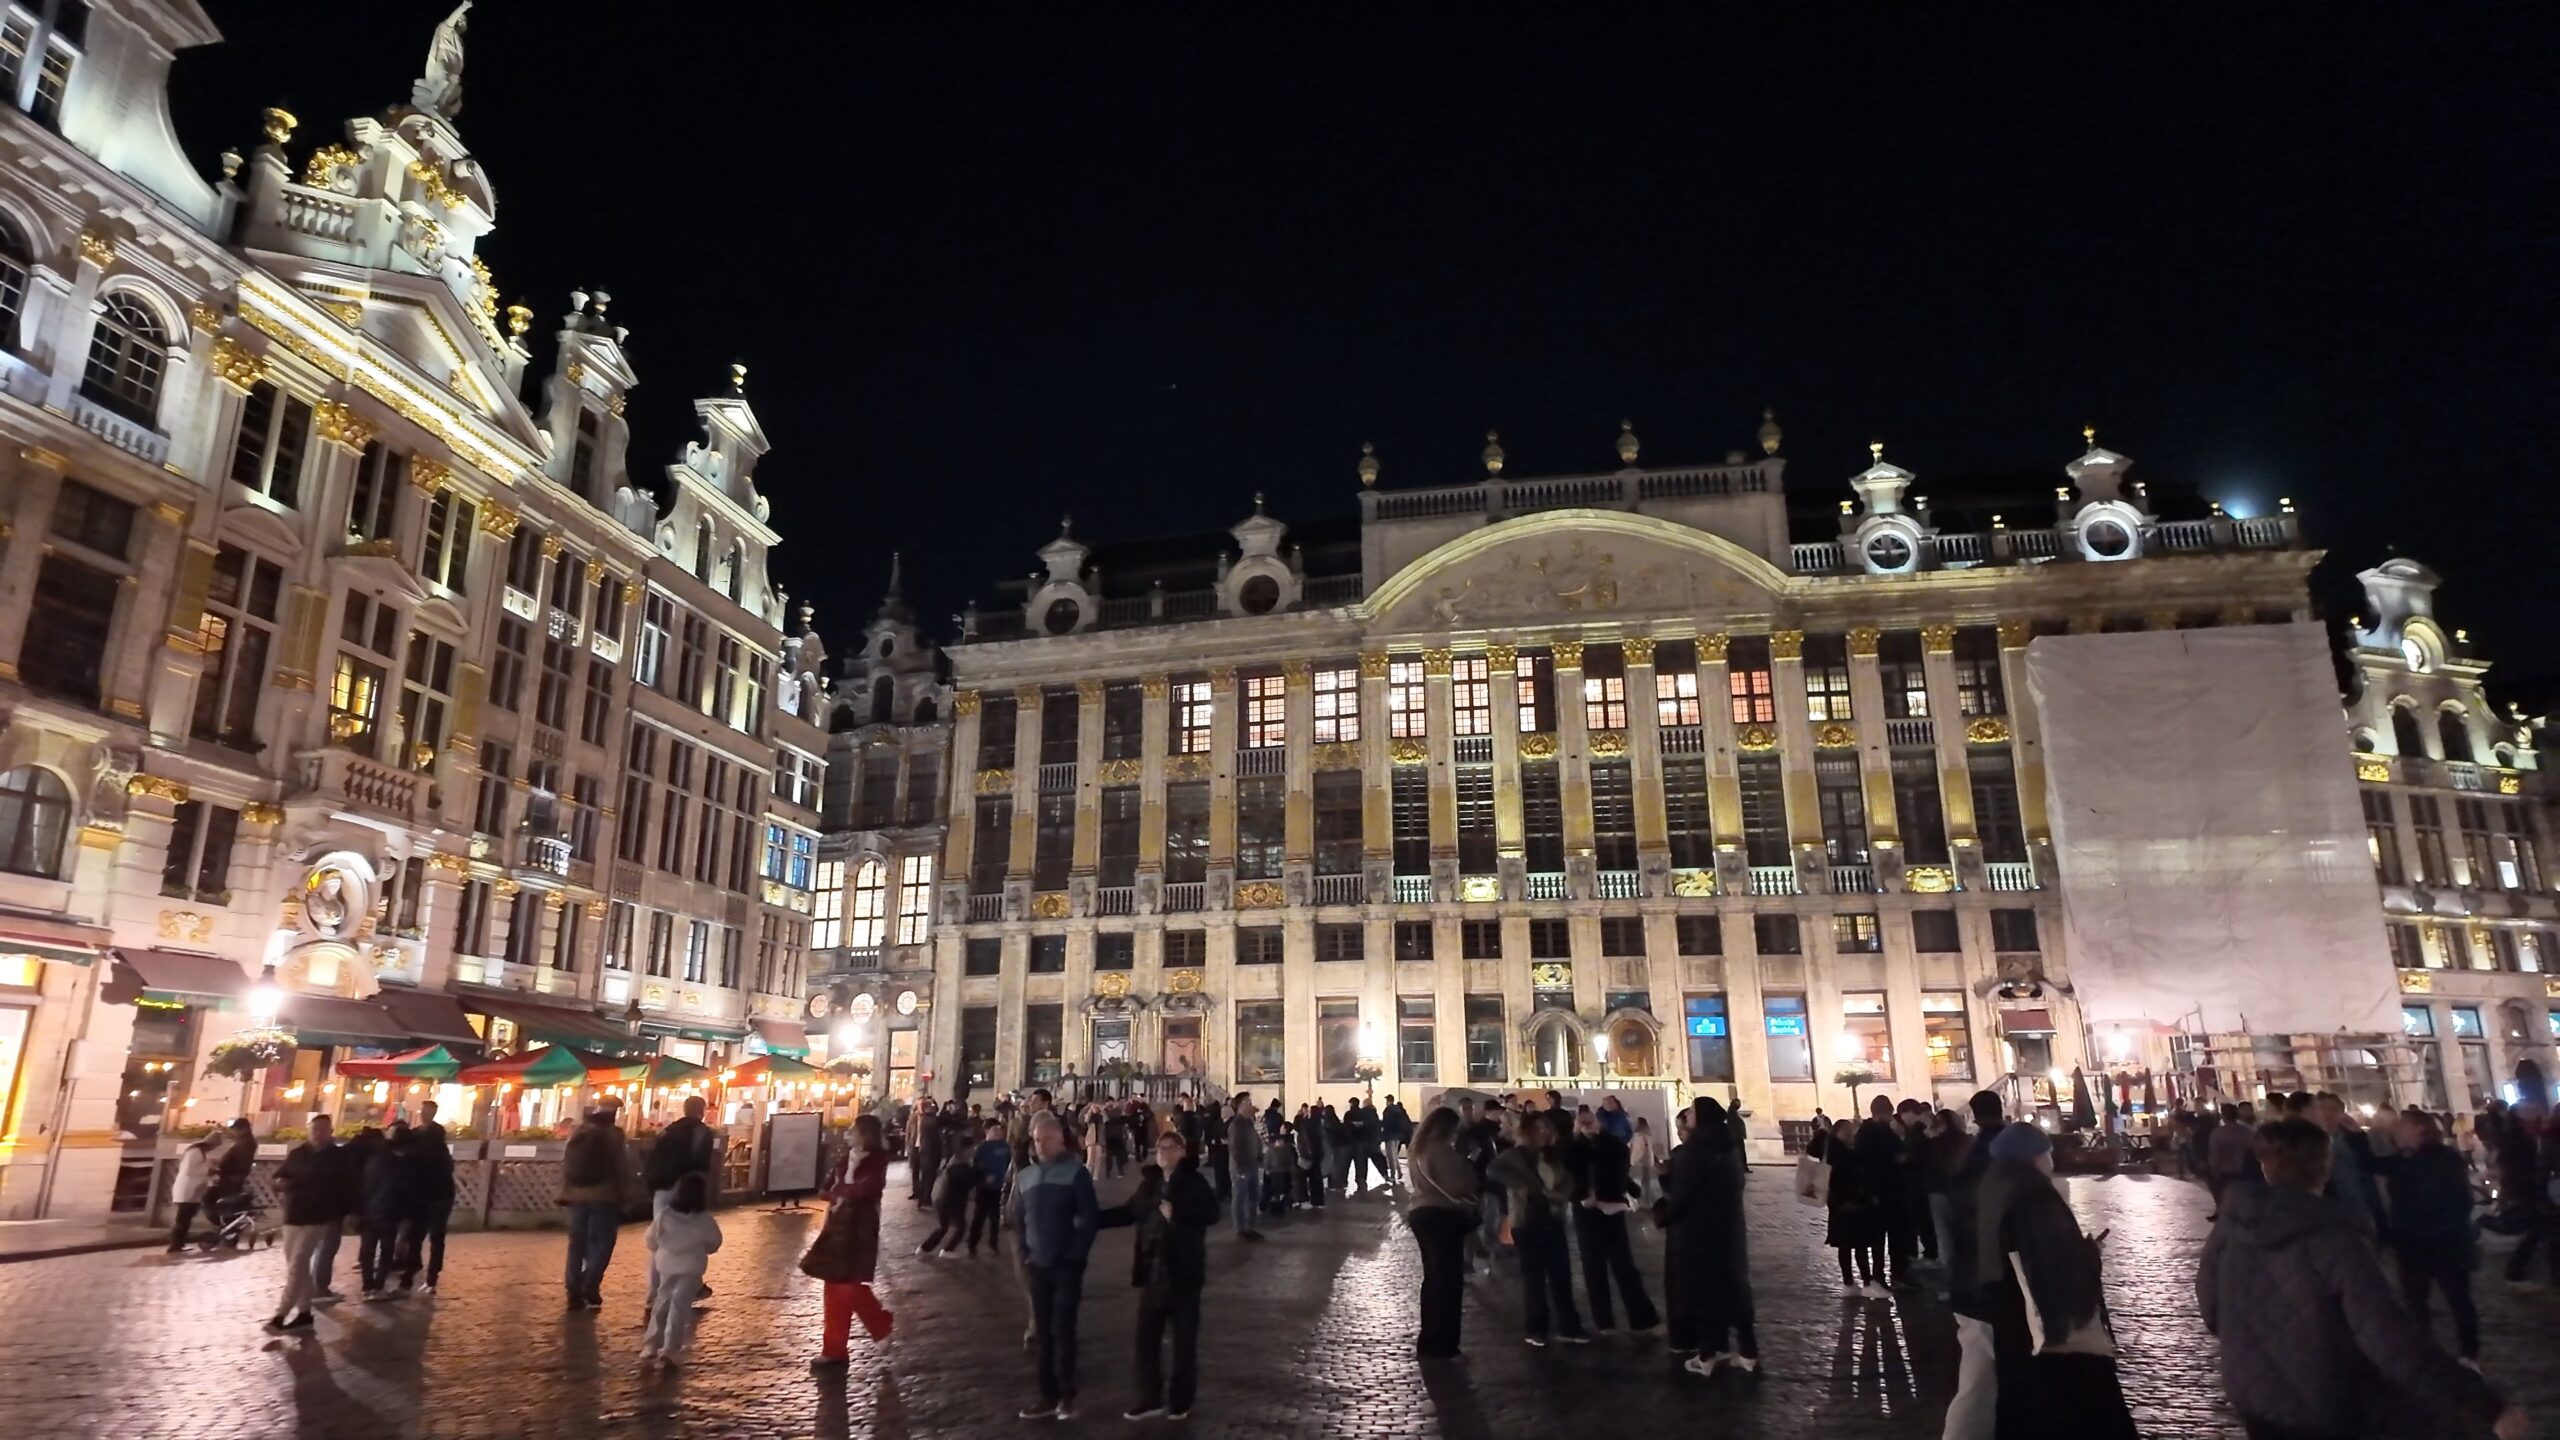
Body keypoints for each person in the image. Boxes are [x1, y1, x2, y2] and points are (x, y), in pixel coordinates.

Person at [2201, 1117, 2524, 1440]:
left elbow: (2211, 1309)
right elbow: (2388, 1338)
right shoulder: (2332, 1237)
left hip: (2254, 1394)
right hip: (2326, 1397)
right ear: (2324, 1168)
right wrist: (2484, 1405)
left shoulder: (2229, 1229)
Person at [1975, 1121, 2137, 1439]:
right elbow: (2053, 1259)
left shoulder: (1995, 1186)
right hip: (2047, 1320)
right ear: (2033, 1156)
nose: (2050, 1160)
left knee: (2023, 1400)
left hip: (2010, 1313)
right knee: (2074, 1406)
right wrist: (2089, 1254)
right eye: (2046, 1153)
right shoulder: (2035, 1195)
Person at [1099, 1130, 1219, 1419]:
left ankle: (1181, 1400)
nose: (1163, 1153)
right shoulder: (1149, 1183)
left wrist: (1178, 1213)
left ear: (1181, 1151)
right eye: (1160, 1148)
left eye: (1169, 1147)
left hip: (1184, 1272)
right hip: (1153, 1272)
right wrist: (1092, 1219)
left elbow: (1212, 1213)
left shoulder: (1194, 1181)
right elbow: (1128, 1212)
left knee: (1184, 1342)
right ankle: (1149, 1397)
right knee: (1146, 1340)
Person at [2368, 1110, 2482, 1362]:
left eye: (2401, 1126)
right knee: (2420, 1301)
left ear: (2419, 1128)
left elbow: (2460, 1200)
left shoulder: (2442, 1159)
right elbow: (2371, 1163)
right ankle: (2430, 1352)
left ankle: (2467, 1354)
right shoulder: (2404, 1158)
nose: (2396, 1131)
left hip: (2441, 1242)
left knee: (2456, 1300)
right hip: (2416, 1244)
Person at [1015, 1111, 1101, 1420]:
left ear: (1060, 1140)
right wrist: (1025, 1252)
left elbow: (1090, 1217)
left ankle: (1066, 1394)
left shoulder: (1075, 1173)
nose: (1041, 1145)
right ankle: (1047, 1395)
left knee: (1063, 1328)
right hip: (1038, 1262)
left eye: (1046, 1140)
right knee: (1043, 1331)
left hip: (1066, 1263)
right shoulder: (1026, 1176)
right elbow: (1019, 1218)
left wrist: (1076, 1254)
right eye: (1037, 1140)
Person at [1663, 1097, 1756, 1375]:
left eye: (1692, 1111)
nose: (1688, 1116)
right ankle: (1748, 1352)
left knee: (1702, 1292)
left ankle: (1706, 1356)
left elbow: (1683, 1194)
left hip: (1699, 1232)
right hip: (1728, 1230)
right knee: (1734, 1289)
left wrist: (1662, 1213)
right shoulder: (1728, 1146)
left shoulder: (1695, 1150)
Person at [1488, 1109, 1589, 1346]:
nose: (1545, 1131)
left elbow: (1567, 1180)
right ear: (1530, 1131)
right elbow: (1494, 1170)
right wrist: (1525, 1187)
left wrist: (1560, 1195)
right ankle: (1536, 1328)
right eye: (1541, 1128)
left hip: (1553, 1219)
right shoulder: (1516, 1155)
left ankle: (1569, 1326)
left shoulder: (1552, 1156)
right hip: (1527, 1222)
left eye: (1547, 1127)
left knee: (1561, 1276)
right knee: (1534, 1279)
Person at [803, 1113, 894, 1368]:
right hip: (837, 1226)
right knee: (836, 1285)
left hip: (859, 1229)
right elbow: (826, 1188)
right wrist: (837, 1194)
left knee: (845, 1284)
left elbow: (867, 1188)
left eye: (853, 1130)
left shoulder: (876, 1161)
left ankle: (873, 1327)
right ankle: (838, 1346)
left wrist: (841, 1192)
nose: (848, 1134)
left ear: (864, 1134)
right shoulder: (844, 1160)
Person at [1941, 1090, 2006, 1440]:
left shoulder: (1967, 1153)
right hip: (1989, 1279)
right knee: (1981, 1376)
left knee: (1980, 1370)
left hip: (1969, 1273)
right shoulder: (2001, 1155)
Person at [1568, 1106, 1659, 1335]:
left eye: (1590, 1121)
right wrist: (1577, 1137)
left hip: (1609, 1208)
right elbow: (1567, 1168)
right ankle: (1605, 1321)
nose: (1587, 1125)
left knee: (1622, 1265)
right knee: (1594, 1267)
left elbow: (1619, 1163)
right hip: (1587, 1211)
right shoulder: (1573, 1146)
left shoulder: (1611, 1144)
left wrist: (1596, 1136)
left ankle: (1641, 1319)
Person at [1406, 1105, 1479, 1359]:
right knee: (1448, 1281)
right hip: (1442, 1215)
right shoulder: (1442, 1152)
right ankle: (1445, 1343)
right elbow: (1461, 1184)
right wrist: (1469, 1163)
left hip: (1420, 1212)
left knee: (1433, 1279)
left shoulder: (1418, 1149)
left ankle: (1428, 1339)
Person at [640, 1171, 722, 1372]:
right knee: (680, 1306)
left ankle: (651, 1345)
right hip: (691, 1267)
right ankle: (670, 1348)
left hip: (667, 1265)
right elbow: (714, 1242)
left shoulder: (664, 1216)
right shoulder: (705, 1219)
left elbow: (651, 1240)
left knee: (662, 1301)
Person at [268, 1115, 343, 1331]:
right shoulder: (298, 1154)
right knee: (298, 1267)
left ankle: (280, 1314)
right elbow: (279, 1175)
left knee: (298, 1263)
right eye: (315, 1129)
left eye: (323, 1129)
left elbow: (346, 1185)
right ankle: (304, 1312)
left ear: (330, 1131)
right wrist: (280, 1183)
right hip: (294, 1214)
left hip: (318, 1216)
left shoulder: (337, 1157)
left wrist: (343, 1212)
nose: (318, 1133)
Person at [558, 1100, 630, 1312]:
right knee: (602, 1242)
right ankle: (590, 1283)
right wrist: (626, 1195)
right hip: (605, 1195)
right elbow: (621, 1166)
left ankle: (573, 1291)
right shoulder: (614, 1134)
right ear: (614, 1112)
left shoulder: (579, 1130)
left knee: (576, 1243)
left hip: (576, 1195)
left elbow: (567, 1162)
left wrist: (565, 1192)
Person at [357, 1120, 420, 1299]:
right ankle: (378, 1287)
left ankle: (367, 1286)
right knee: (386, 1251)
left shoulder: (377, 1159)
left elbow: (367, 1185)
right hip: (389, 1212)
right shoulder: (404, 1164)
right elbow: (405, 1191)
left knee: (368, 1251)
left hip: (370, 1210)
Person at [403, 1098, 457, 1293]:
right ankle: (426, 1277)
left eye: (427, 1111)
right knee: (426, 1237)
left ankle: (423, 1277)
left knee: (425, 1236)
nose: (424, 1114)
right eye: (423, 1110)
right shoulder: (429, 1138)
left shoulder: (426, 1138)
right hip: (434, 1194)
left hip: (432, 1194)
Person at [918, 1137, 979, 1256]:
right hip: (951, 1202)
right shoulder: (960, 1165)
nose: (974, 1150)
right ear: (966, 1149)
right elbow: (968, 1181)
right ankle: (947, 1250)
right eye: (973, 1148)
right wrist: (980, 1175)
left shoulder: (955, 1160)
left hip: (942, 1200)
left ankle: (924, 1248)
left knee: (943, 1227)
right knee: (960, 1227)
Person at [166, 1129, 224, 1252]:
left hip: (193, 1192)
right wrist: (210, 1171)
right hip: (186, 1190)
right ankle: (175, 1244)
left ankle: (178, 1244)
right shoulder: (194, 1152)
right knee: (183, 1219)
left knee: (185, 1219)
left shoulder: (201, 1153)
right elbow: (189, 1170)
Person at [968, 1117, 1011, 1255]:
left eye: (999, 1129)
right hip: (984, 1188)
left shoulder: (1004, 1146)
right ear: (987, 1131)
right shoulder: (982, 1148)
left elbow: (1008, 1162)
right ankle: (972, 1244)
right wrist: (983, 1178)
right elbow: (975, 1168)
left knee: (994, 1217)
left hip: (998, 1187)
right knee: (979, 1217)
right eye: (995, 1130)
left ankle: (993, 1243)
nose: (998, 1132)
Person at [1225, 1094, 1265, 1240]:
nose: (1250, 1104)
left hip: (1252, 1164)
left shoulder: (1248, 1123)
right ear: (1241, 1104)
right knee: (1240, 1197)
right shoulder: (1236, 1125)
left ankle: (1250, 1226)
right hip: (1242, 1167)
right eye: (1248, 1102)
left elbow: (1255, 1142)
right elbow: (1236, 1148)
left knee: (1253, 1196)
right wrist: (1240, 1167)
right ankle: (1241, 1228)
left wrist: (1259, 1157)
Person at [1630, 1116, 1665, 1204]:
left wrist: (1635, 1160)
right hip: (1645, 1162)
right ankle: (1645, 1201)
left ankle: (1642, 1201)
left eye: (1636, 1123)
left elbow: (1642, 1150)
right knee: (1645, 1183)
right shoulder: (1644, 1136)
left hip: (1641, 1163)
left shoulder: (1642, 1136)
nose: (1634, 1124)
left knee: (1640, 1182)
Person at [1380, 1095, 1414, 1185]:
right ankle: (1399, 1172)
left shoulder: (1388, 1110)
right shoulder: (1398, 1109)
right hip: (1398, 1136)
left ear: (1388, 1101)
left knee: (1391, 1156)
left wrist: (1382, 1133)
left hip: (1390, 1135)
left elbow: (1386, 1124)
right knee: (1394, 1155)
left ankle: (1392, 1176)